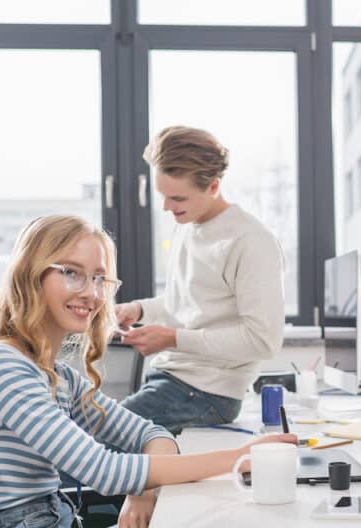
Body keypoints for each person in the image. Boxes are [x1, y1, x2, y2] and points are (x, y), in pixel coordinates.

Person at [0, 215, 296, 528]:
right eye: (72, 273)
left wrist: (142, 493)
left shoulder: (55, 374)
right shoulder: (2, 365)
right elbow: (103, 470)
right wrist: (242, 457)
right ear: (31, 275)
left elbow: (148, 432)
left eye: (99, 279)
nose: (92, 294)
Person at [116, 126, 285, 434]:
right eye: (163, 196)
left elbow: (264, 341)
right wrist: (139, 310)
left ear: (213, 187)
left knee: (79, 450)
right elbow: (192, 305)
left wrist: (173, 338)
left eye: (177, 198)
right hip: (172, 381)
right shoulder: (188, 223)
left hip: (205, 394)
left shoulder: (250, 241)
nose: (167, 207)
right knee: (80, 438)